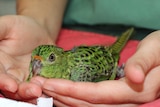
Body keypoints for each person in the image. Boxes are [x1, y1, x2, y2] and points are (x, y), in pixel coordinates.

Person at [0, 0, 160, 106]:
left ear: (60, 59)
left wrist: (117, 71)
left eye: (50, 58)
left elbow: (105, 65)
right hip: (74, 26)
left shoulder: (78, 72)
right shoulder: (35, 72)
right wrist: (39, 22)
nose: (37, 65)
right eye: (34, 60)